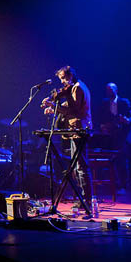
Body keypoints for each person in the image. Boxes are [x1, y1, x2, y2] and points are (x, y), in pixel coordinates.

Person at [41, 65, 94, 215]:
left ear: (71, 76)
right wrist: (54, 107)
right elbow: (69, 104)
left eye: (64, 78)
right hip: (76, 129)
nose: (63, 82)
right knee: (78, 166)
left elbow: (75, 110)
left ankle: (86, 199)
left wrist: (55, 107)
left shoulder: (77, 88)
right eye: (61, 79)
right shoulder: (75, 87)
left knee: (81, 166)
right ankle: (82, 198)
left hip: (79, 129)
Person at [100, 82, 131, 193]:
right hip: (110, 136)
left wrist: (127, 120)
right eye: (107, 90)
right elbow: (101, 118)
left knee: (122, 161)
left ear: (116, 90)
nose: (109, 92)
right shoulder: (104, 103)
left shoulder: (124, 102)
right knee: (111, 160)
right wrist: (103, 126)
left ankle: (124, 185)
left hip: (122, 136)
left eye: (111, 90)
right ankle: (113, 185)